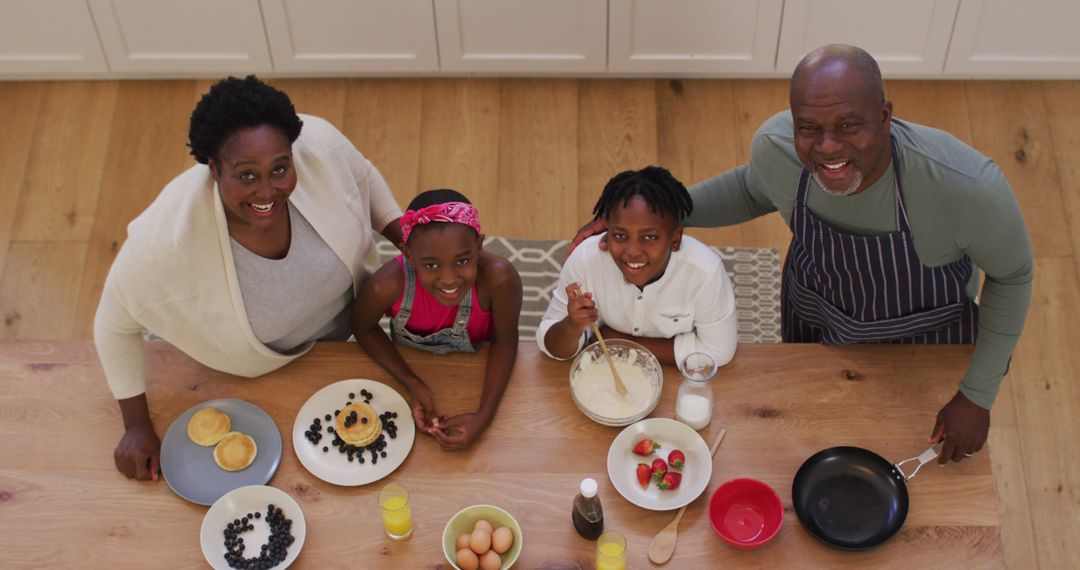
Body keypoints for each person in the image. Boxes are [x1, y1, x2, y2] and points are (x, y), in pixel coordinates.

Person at [569, 45, 1032, 465]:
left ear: (886, 116)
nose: (827, 148)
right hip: (817, 316)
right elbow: (753, 189)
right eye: (809, 128)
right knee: (803, 445)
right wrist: (650, 218)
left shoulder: (965, 188)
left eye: (849, 125)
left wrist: (976, 395)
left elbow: (1013, 277)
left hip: (922, 338)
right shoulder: (780, 150)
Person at [96, 76, 404, 480]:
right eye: (246, 176)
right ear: (213, 169)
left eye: (280, 169)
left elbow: (362, 175)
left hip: (357, 338)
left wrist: (409, 240)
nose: (267, 191)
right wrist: (135, 424)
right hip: (259, 377)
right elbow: (112, 321)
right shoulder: (165, 242)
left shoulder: (319, 147)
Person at [352, 189, 523, 450]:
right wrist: (411, 382)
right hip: (413, 365)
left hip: (476, 373)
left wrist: (484, 416)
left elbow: (506, 341)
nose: (449, 279)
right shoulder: (386, 285)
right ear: (408, 255)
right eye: (431, 265)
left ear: (479, 246)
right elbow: (362, 328)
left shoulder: (500, 280)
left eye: (462, 261)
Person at [541, 166, 738, 368]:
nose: (633, 251)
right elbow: (551, 345)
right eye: (620, 235)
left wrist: (620, 342)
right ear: (607, 232)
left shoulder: (704, 273)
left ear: (675, 239)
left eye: (650, 237)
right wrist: (572, 326)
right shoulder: (585, 260)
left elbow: (718, 351)